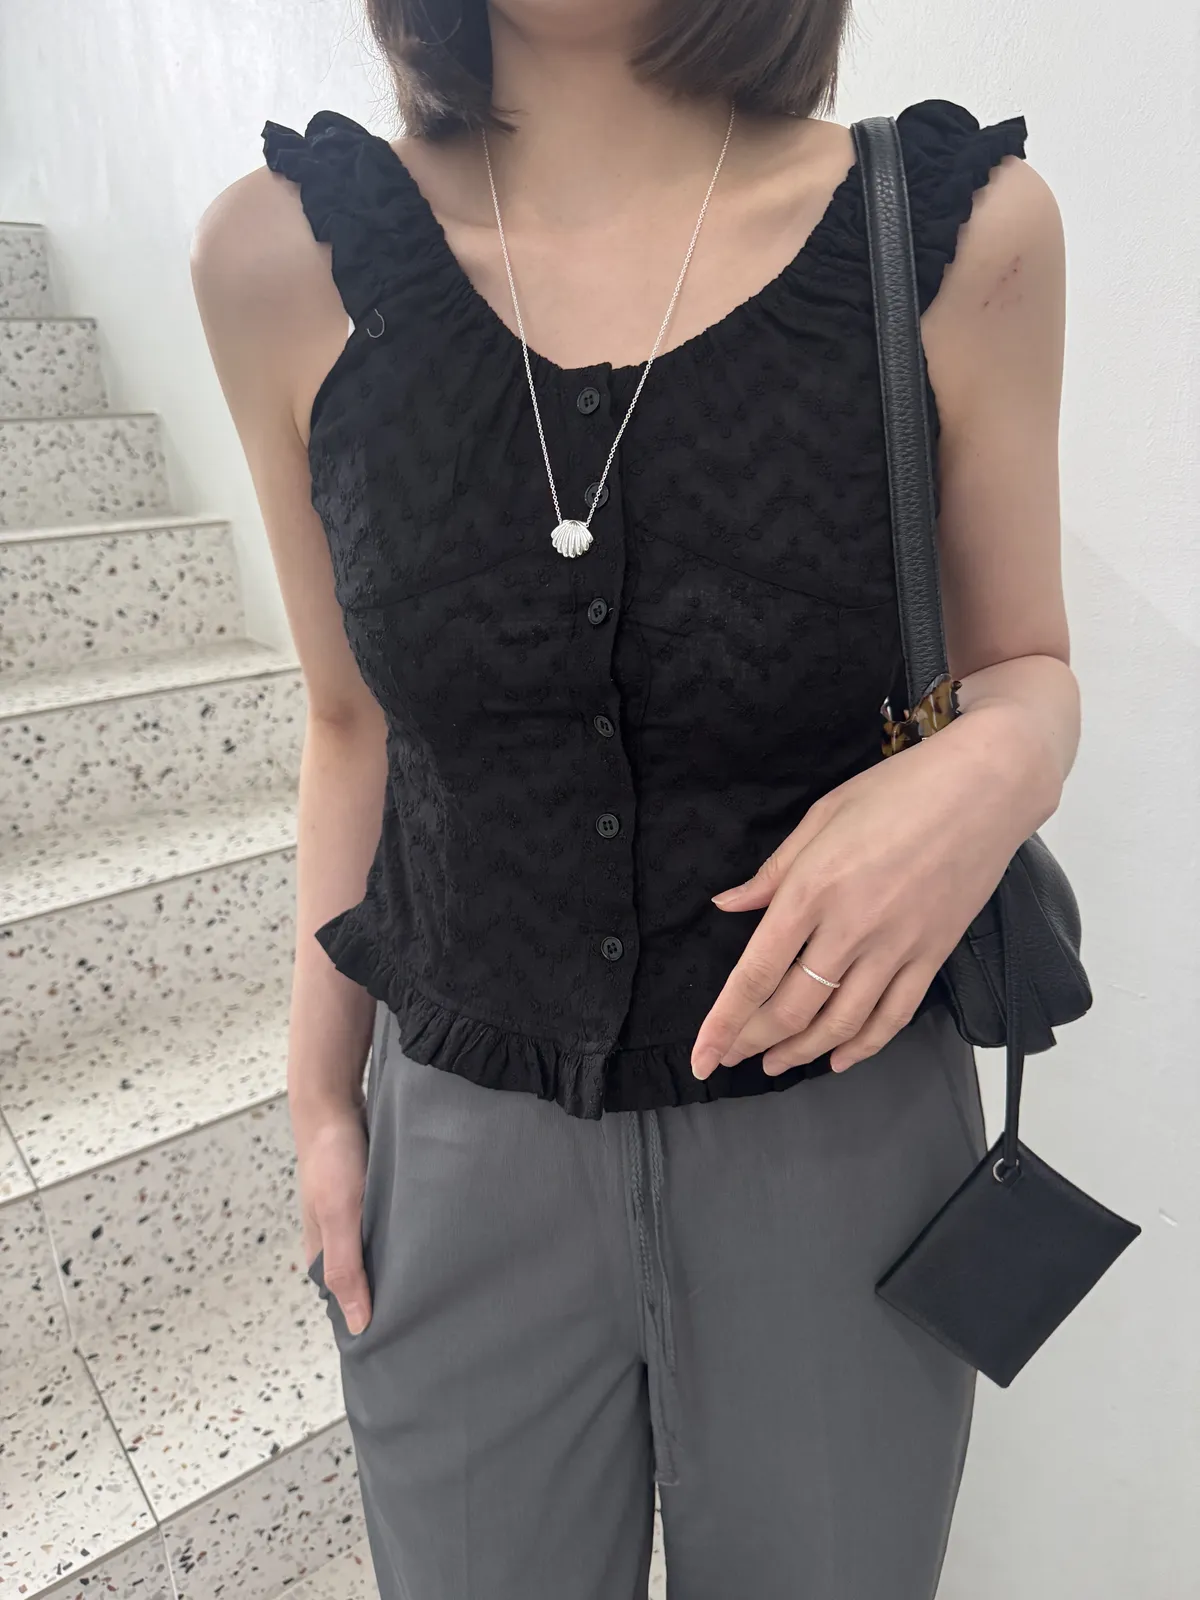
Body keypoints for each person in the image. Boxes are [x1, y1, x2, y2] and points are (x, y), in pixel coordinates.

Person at [191, 2, 1076, 1594]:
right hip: (456, 1139)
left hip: (845, 1118)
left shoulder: (947, 236)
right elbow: (350, 720)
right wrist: (322, 1100)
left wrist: (999, 763)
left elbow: (1025, 663)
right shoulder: (280, 261)